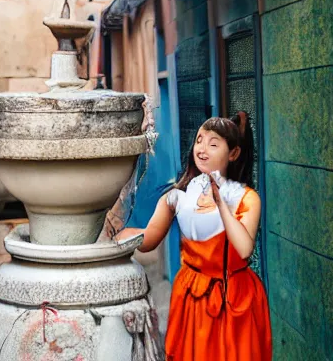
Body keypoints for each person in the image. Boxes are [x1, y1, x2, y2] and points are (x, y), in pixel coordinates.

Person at [115, 112, 272, 360]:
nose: (202, 148)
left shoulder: (246, 198)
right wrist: (118, 237)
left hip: (234, 297)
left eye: (213, 144)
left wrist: (221, 203)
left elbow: (244, 249)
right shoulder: (178, 195)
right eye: (200, 139)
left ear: (233, 154)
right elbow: (149, 239)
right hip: (191, 295)